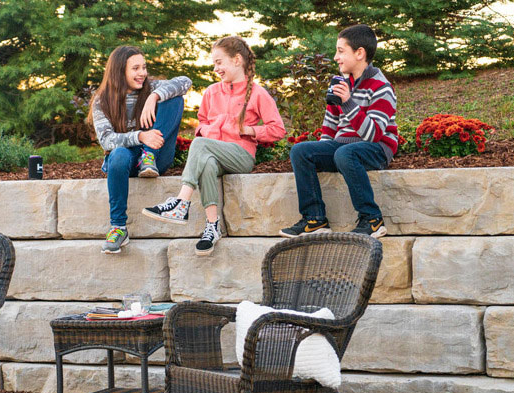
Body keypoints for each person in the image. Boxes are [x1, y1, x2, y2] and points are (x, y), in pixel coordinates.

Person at [142, 36, 285, 256]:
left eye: (219, 62)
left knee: (200, 145)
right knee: (206, 162)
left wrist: (250, 130)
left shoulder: (258, 93)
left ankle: (181, 201)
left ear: (237, 60)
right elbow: (202, 124)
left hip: (241, 156)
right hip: (215, 154)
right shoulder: (210, 92)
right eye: (214, 63)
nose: (215, 67)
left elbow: (278, 130)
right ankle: (212, 226)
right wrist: (207, 130)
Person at [280, 24, 398, 239]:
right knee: (301, 151)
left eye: (341, 51)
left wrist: (348, 102)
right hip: (343, 148)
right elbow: (330, 126)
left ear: (359, 53)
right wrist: (321, 150)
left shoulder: (381, 87)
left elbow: (374, 134)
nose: (336, 57)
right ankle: (315, 219)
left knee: (345, 153)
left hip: (376, 148)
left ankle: (372, 219)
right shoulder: (341, 84)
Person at [89, 45, 191, 254]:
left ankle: (148, 157)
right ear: (120, 71)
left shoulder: (150, 88)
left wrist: (154, 97)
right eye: (135, 68)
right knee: (117, 154)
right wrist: (141, 136)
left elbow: (185, 82)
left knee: (174, 98)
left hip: (156, 158)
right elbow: (106, 140)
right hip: (124, 161)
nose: (142, 73)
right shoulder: (102, 100)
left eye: (144, 67)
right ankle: (118, 227)